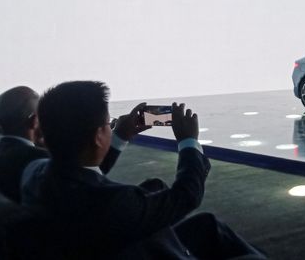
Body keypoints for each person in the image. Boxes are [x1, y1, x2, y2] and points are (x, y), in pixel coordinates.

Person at [21, 80, 264, 259]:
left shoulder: (36, 172)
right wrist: (188, 141)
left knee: (208, 225)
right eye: (108, 124)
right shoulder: (115, 202)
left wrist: (121, 135)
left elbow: (86, 172)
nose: (110, 127)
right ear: (97, 136)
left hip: (113, 242)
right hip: (136, 248)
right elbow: (186, 196)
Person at [0, 85, 147, 202]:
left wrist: (120, 136)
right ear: (34, 121)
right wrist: (119, 136)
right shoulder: (38, 162)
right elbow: (86, 180)